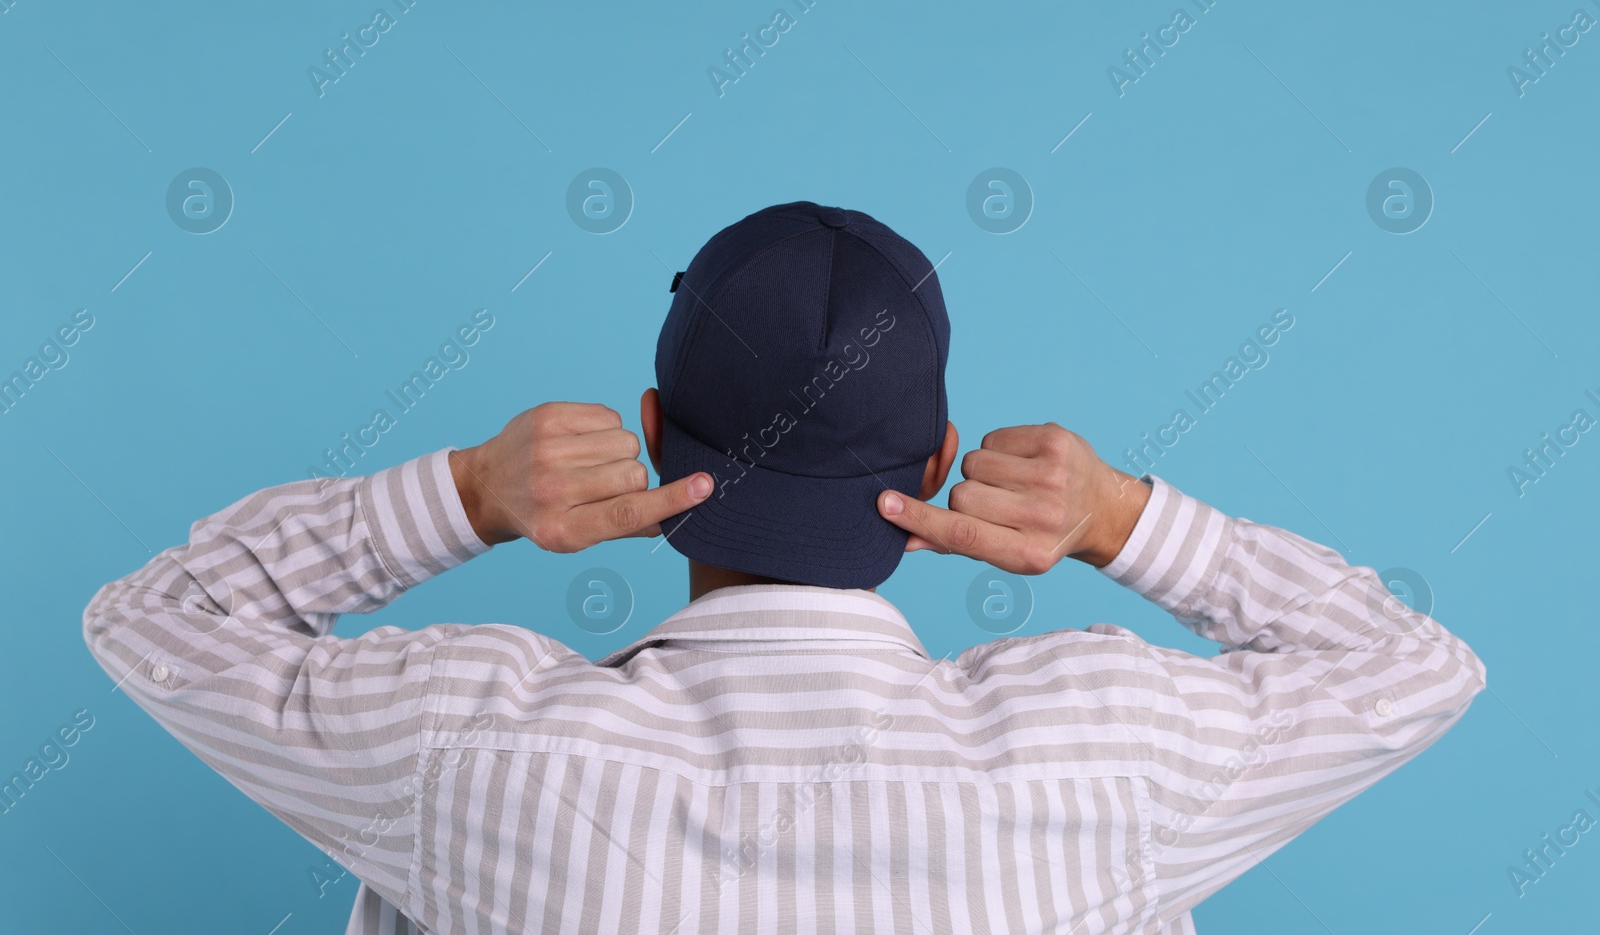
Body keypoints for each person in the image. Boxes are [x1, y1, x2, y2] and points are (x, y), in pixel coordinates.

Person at [84, 201, 1484, 934]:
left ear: (647, 434)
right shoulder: (1108, 755)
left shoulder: (469, 749)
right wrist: (1126, 519)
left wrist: (465, 495)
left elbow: (162, 620)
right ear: (937, 460)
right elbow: (1409, 669)